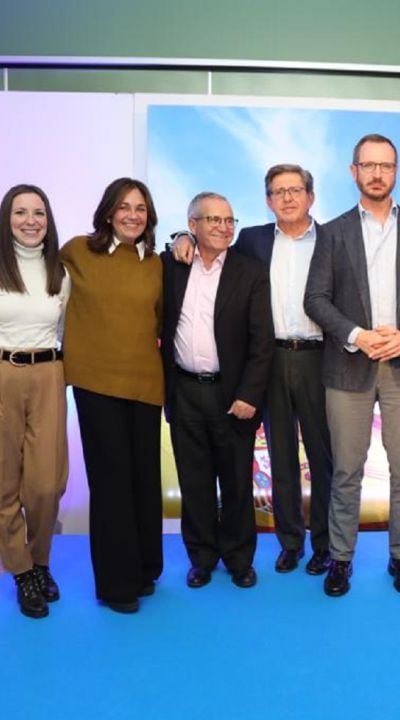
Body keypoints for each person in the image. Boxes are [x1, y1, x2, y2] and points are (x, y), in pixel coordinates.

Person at [303, 133, 400, 597]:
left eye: (386, 165)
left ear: (396, 171)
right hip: (349, 365)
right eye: (368, 165)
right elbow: (316, 299)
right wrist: (358, 336)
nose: (377, 173)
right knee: (346, 470)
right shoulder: (332, 231)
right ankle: (341, 559)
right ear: (353, 172)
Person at [171, 165, 332, 576]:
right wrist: (181, 237)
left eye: (296, 190)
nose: (288, 198)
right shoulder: (252, 240)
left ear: (311, 197)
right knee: (280, 458)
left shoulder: (333, 240)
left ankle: (325, 545)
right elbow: (208, 249)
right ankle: (290, 542)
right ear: (267, 200)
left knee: (323, 456)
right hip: (269, 359)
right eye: (279, 192)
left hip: (320, 358)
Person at [0, 184, 69, 619]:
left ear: (48, 219)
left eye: (38, 212)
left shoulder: (61, 270)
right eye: (20, 212)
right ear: (7, 219)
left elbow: (64, 328)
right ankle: (23, 572)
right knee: (2, 484)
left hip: (47, 375)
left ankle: (40, 560)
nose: (30, 220)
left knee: (47, 484)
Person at [61, 177, 164, 614]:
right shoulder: (76, 251)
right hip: (96, 384)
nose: (132, 215)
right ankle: (116, 585)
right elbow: (28, 270)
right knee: (111, 484)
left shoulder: (157, 263)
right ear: (107, 211)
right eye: (124, 207)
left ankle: (143, 571)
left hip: (145, 383)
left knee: (144, 481)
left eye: (141, 208)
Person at [161, 192, 273, 590]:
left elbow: (263, 342)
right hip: (185, 390)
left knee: (238, 482)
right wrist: (176, 239)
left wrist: (250, 394)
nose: (224, 228)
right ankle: (202, 558)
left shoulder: (251, 271)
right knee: (195, 482)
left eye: (229, 220)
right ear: (193, 225)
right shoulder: (172, 265)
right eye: (214, 220)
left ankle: (240, 560)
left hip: (233, 395)